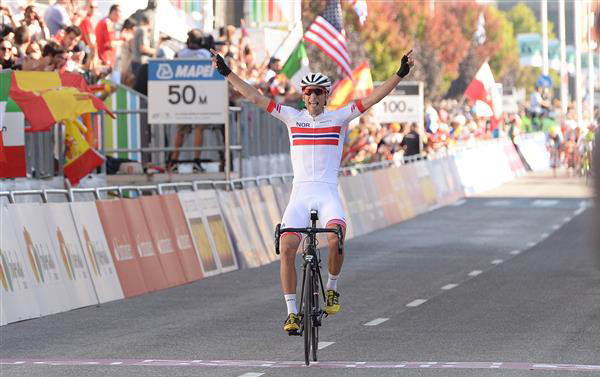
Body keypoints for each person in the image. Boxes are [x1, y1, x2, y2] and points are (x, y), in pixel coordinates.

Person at [210, 47, 415, 333]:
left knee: (334, 238)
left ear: (326, 96)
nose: (313, 97)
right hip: (300, 195)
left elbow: (371, 98)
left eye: (318, 92)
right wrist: (227, 73)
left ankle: (331, 286)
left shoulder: (340, 117)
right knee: (286, 249)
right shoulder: (292, 117)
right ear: (303, 96)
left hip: (327, 193)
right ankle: (292, 312)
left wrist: (399, 74)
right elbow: (256, 98)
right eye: (308, 92)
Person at [167, 29, 212, 173]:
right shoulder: (205, 55)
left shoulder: (180, 54)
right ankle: (196, 161)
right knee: (199, 128)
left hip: (183, 98)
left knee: (181, 130)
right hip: (200, 97)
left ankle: (174, 161)